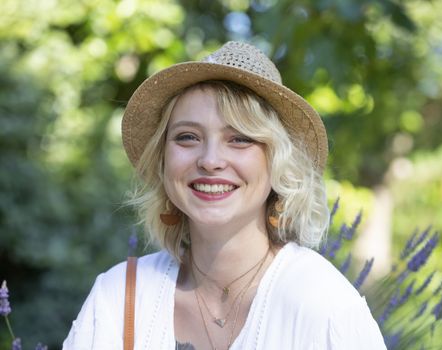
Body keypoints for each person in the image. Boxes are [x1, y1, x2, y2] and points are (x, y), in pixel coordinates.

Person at [63, 41, 386, 349]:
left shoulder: (323, 303)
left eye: (240, 139)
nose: (210, 160)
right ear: (162, 161)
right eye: (188, 137)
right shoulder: (119, 297)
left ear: (278, 162)